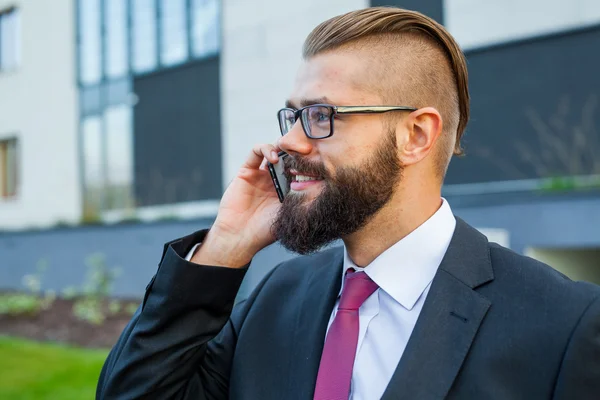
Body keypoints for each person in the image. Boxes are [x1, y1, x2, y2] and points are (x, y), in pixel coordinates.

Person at [96, 7, 600, 400]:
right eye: (292, 116)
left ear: (415, 135)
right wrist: (224, 247)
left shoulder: (562, 326)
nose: (290, 142)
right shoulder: (276, 299)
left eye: (320, 115)